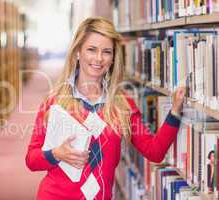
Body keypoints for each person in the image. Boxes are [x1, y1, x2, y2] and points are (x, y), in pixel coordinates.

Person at [25, 17, 185, 200]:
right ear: (78, 51)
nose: (99, 58)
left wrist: (174, 112)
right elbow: (31, 160)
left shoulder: (123, 104)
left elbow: (154, 152)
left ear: (113, 58)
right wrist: (56, 154)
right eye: (91, 50)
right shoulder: (55, 101)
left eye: (107, 52)